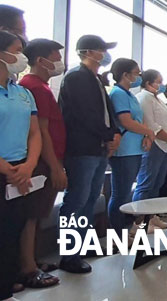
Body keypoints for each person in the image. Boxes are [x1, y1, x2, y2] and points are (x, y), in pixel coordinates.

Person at [58, 35, 121, 274]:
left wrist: (113, 133)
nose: (104, 54)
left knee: (89, 199)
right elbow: (84, 114)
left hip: (97, 148)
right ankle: (69, 254)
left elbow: (107, 113)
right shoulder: (76, 77)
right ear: (87, 52)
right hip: (82, 148)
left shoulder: (95, 79)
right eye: (100, 49)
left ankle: (81, 246)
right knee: (76, 200)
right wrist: (107, 134)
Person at [0, 30, 51, 300]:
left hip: (22, 169)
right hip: (5, 169)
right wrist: (6, 168)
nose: (21, 56)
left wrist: (29, 164)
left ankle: (7, 282)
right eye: (16, 50)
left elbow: (35, 133)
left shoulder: (22, 93)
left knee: (13, 228)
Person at [17, 38, 66, 289]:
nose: (59, 62)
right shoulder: (32, 87)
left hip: (48, 159)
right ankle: (27, 266)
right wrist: (55, 166)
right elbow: (41, 130)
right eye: (56, 56)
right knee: (31, 214)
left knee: (38, 212)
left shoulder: (41, 87)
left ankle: (32, 259)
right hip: (41, 161)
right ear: (40, 60)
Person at [107, 58, 155, 232]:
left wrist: (145, 135)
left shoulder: (128, 94)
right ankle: (118, 231)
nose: (139, 77)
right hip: (124, 149)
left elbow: (137, 120)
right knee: (120, 193)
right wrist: (148, 132)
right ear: (125, 75)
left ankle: (126, 227)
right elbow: (126, 121)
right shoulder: (118, 93)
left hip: (134, 147)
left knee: (126, 192)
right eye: (136, 73)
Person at [133, 70, 167, 228]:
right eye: (158, 82)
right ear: (148, 83)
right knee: (146, 183)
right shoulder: (144, 97)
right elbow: (150, 124)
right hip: (153, 144)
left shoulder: (156, 99)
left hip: (164, 146)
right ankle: (139, 221)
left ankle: (151, 216)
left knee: (157, 183)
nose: (161, 85)